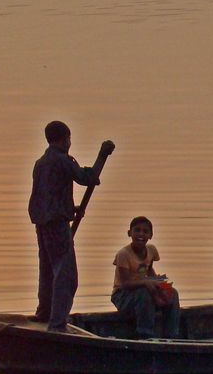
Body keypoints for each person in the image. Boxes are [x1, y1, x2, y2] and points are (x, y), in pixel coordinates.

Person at [28, 120, 113, 332]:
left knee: (48, 270)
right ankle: (57, 324)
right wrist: (103, 155)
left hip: (43, 222)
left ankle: (44, 313)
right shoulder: (62, 160)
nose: (69, 142)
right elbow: (88, 178)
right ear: (65, 138)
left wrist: (70, 208)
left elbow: (48, 195)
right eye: (69, 139)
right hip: (55, 225)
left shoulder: (40, 163)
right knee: (66, 276)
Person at [111, 216, 182, 339]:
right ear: (129, 233)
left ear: (151, 235)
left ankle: (172, 335)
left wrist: (157, 282)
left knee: (173, 293)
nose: (141, 234)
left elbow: (149, 271)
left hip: (143, 290)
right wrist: (145, 283)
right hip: (122, 296)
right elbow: (124, 283)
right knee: (144, 294)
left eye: (145, 231)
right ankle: (145, 334)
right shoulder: (123, 254)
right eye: (137, 230)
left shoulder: (151, 250)